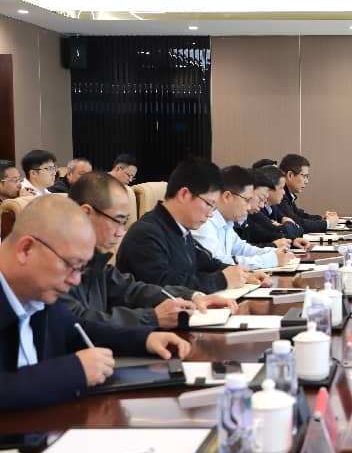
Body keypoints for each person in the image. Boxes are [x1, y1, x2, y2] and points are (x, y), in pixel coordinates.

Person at [0, 195, 190, 410]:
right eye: (71, 265)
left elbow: (76, 330)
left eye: (81, 269)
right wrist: (73, 372)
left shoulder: (37, 293)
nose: (76, 280)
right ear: (26, 249)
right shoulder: (37, 288)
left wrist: (145, 339)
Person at [60, 172, 237, 328]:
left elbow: (132, 290)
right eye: (118, 220)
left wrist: (192, 297)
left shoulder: (94, 261)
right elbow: (76, 322)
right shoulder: (57, 263)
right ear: (86, 213)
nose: (121, 232)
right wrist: (152, 318)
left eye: (124, 222)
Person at [116, 158, 260, 293]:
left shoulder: (180, 229)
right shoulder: (146, 233)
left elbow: (206, 263)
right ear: (184, 194)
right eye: (209, 204)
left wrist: (242, 274)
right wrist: (222, 280)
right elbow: (163, 286)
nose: (210, 214)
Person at [191, 165, 301, 271]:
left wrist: (273, 252)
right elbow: (220, 263)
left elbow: (242, 249)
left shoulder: (226, 222)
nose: (248, 207)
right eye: (247, 200)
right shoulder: (205, 222)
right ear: (227, 197)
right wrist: (271, 259)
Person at [237, 166, 306, 246]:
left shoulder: (246, 218)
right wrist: (274, 245)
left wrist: (293, 241)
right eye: (261, 198)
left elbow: (263, 235)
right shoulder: (248, 215)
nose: (262, 205)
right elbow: (240, 250)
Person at [278, 153, 339, 232]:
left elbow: (299, 215)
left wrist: (322, 218)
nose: (306, 181)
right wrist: (327, 224)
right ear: (290, 175)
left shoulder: (288, 194)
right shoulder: (280, 196)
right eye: (304, 176)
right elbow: (296, 223)